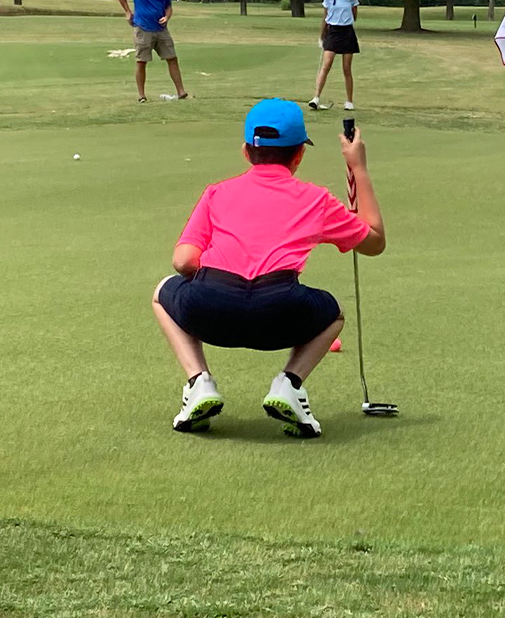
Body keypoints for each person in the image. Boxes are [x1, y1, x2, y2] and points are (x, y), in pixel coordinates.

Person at [155, 100, 383, 439]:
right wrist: (359, 168)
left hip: (211, 308)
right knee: (333, 313)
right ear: (298, 156)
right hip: (280, 313)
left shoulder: (217, 192)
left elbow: (183, 261)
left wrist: (219, 282)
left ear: (246, 151)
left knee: (163, 293)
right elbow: (374, 241)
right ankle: (289, 384)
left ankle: (199, 382)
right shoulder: (315, 199)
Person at [117, 0, 191, 102]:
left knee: (172, 58)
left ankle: (181, 92)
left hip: (161, 29)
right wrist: (127, 11)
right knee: (141, 61)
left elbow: (168, 6)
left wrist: (167, 17)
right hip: (143, 28)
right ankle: (141, 95)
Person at [309, 0, 359, 112]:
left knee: (347, 68)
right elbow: (325, 18)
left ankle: (349, 101)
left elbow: (354, 16)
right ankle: (316, 98)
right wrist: (322, 36)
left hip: (347, 32)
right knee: (326, 65)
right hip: (333, 32)